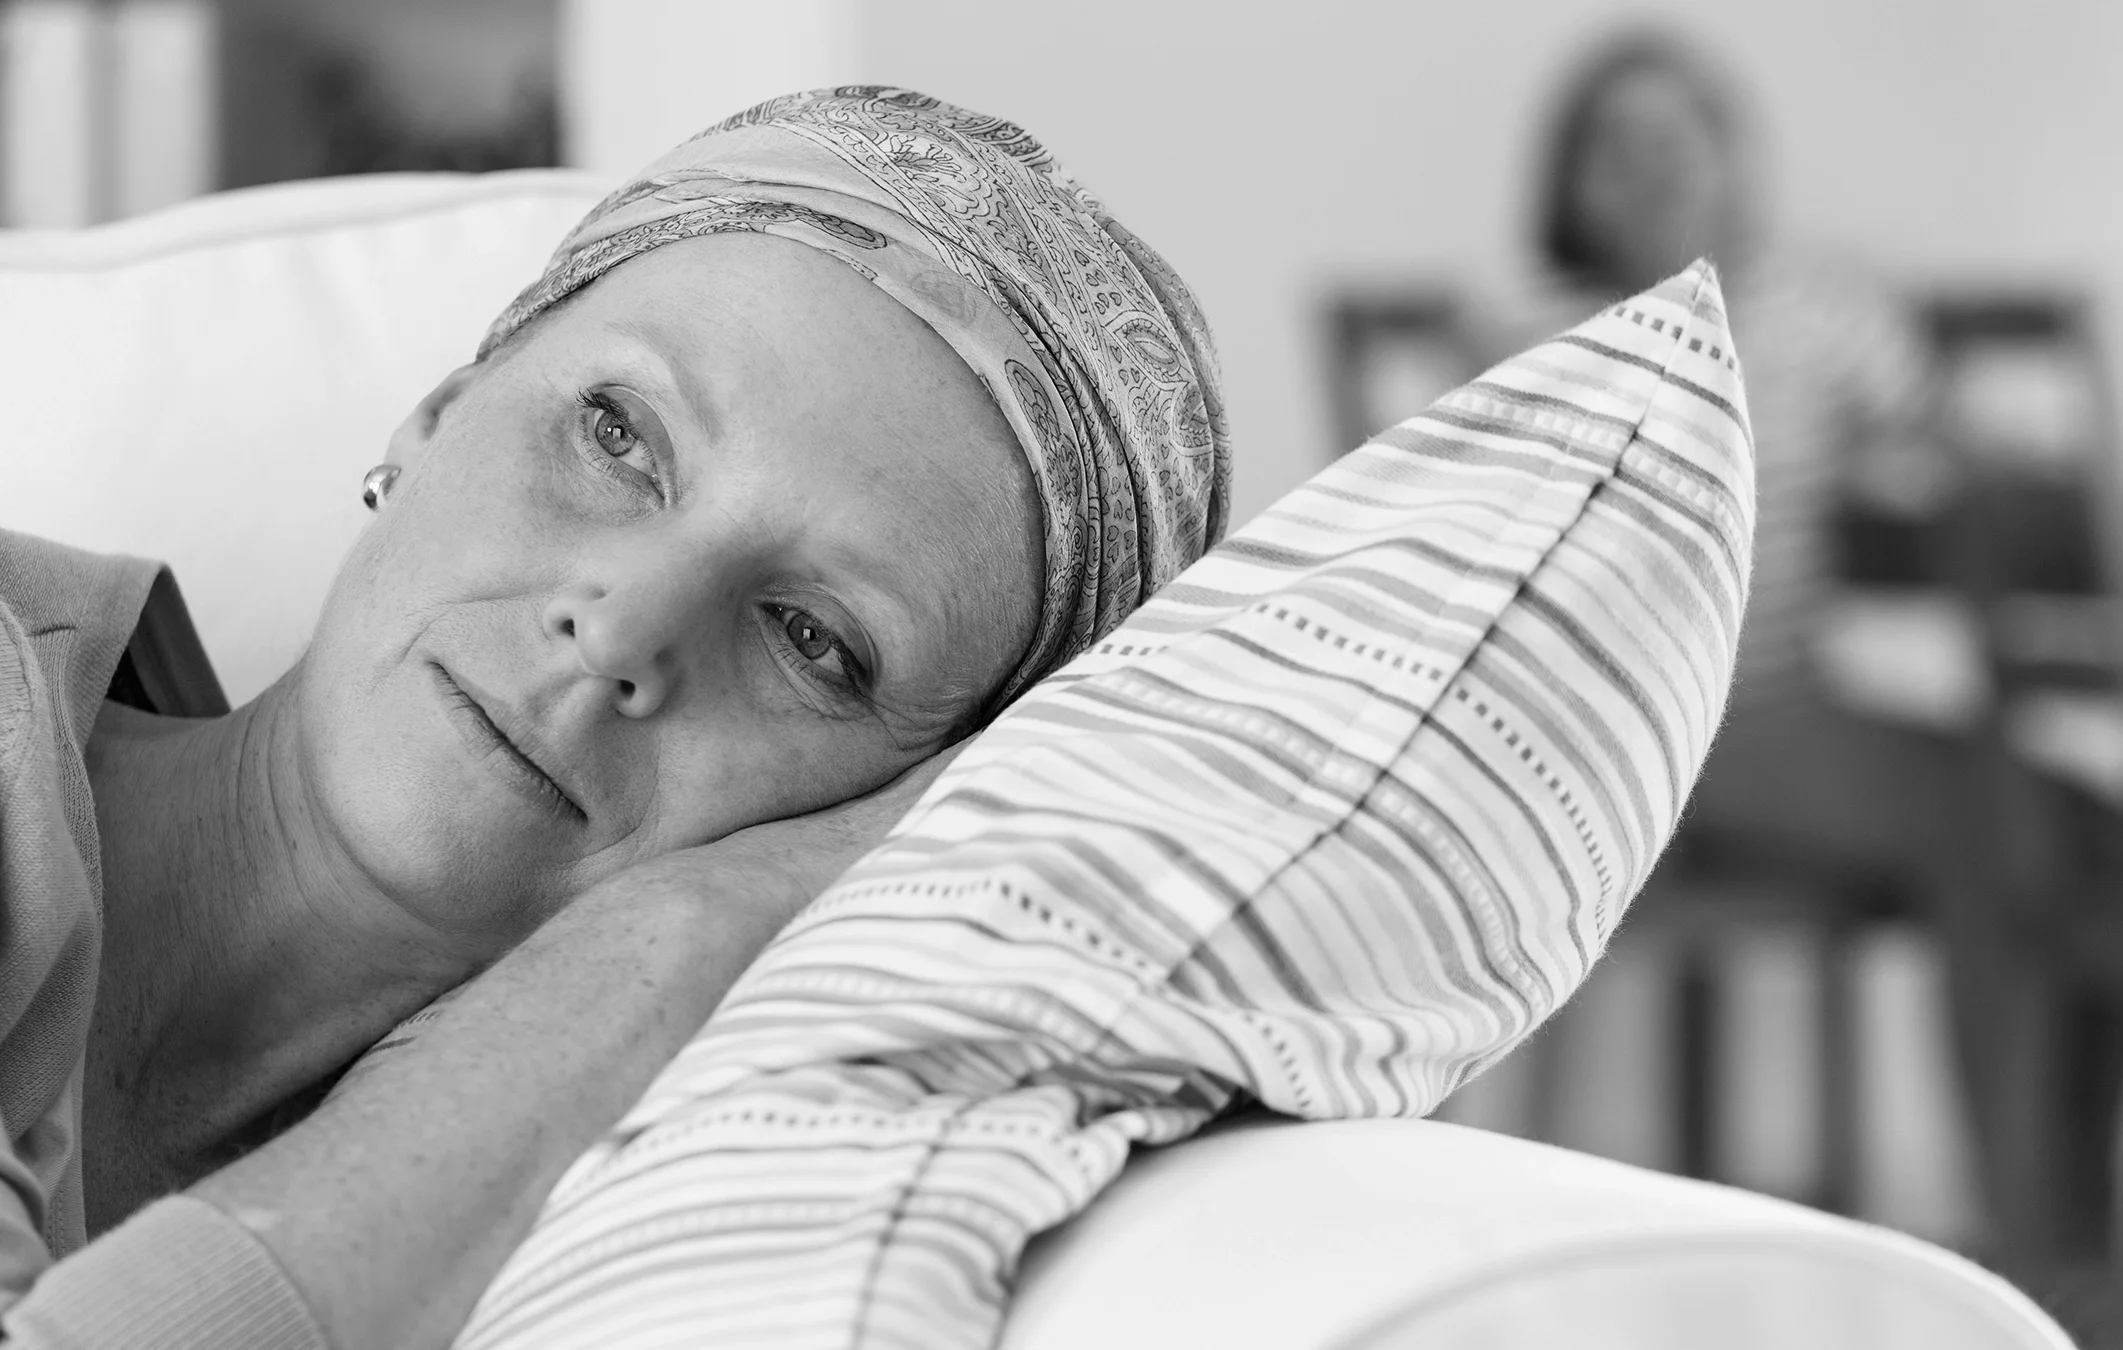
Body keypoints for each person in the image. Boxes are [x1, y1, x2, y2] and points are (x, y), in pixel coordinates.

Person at [0, 88, 1225, 1347]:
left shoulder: (657, 1242)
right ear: (437, 413)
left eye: (814, 640)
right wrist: (680, 941)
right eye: (616, 435)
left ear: (899, 807)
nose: (626, 625)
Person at [1520, 28, 2123, 1270]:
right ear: (1569, 181)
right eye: (1617, 147)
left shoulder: (1813, 310)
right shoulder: (1540, 331)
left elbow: (1940, 434)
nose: (1650, 173)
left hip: (1794, 705)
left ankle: (2096, 1234)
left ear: (1730, 157)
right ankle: (2033, 1247)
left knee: (2113, 839)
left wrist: (2002, 465)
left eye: (1676, 141)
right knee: (1994, 823)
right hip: (1680, 734)